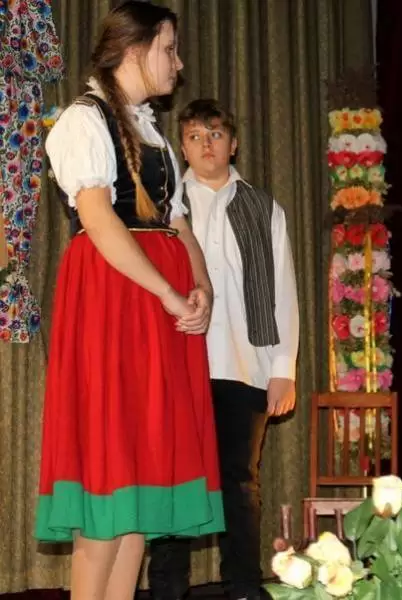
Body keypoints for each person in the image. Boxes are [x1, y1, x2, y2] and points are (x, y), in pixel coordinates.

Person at [34, 3, 224, 600]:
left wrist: (201, 289)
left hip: (159, 316)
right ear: (136, 50)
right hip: (116, 305)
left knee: (140, 487)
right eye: (170, 49)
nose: (179, 63)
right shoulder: (83, 121)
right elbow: (98, 220)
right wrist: (168, 292)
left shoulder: (151, 130)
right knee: (109, 479)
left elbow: (177, 223)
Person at [147, 99, 299, 600]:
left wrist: (283, 368)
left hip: (244, 363)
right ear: (182, 147)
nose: (206, 145)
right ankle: (167, 588)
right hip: (175, 364)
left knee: (240, 480)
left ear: (232, 144)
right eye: (194, 136)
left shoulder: (264, 207)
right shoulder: (163, 205)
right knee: (172, 476)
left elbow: (283, 291)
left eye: (215, 135)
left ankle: (243, 585)